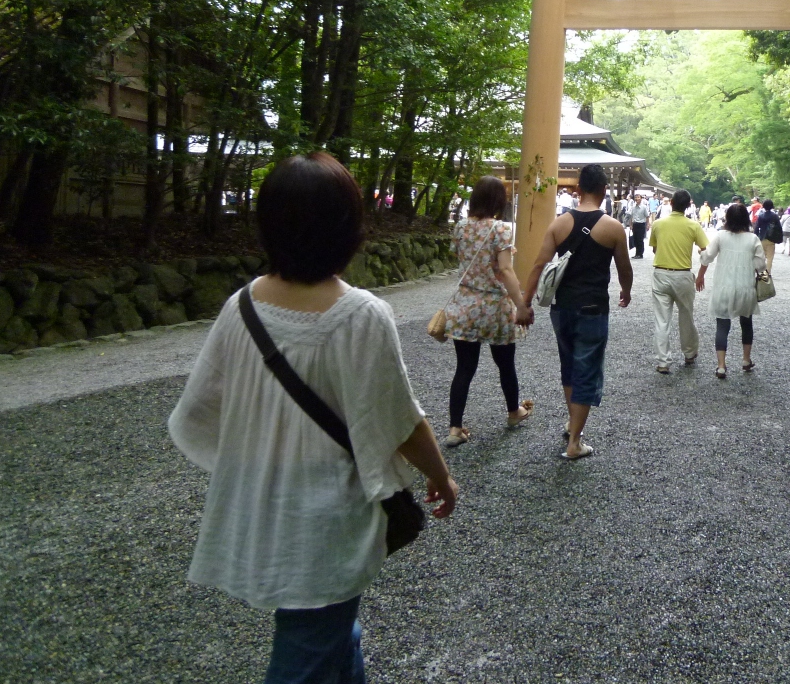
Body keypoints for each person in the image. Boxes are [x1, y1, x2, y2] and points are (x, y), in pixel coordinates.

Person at [168, 152, 458, 684]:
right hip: (325, 521)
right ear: (348, 229)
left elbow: (203, 408)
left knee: (334, 635)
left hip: (265, 505)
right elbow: (398, 418)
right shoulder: (361, 314)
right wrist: (440, 476)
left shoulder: (241, 306)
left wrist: (254, 461)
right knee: (307, 652)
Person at [525, 163, 633, 460]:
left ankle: (573, 423)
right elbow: (624, 268)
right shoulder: (613, 227)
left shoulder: (558, 224)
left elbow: (539, 265)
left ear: (579, 189)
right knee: (587, 370)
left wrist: (525, 302)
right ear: (604, 190)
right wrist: (626, 291)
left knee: (569, 368)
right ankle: (574, 441)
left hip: (562, 307)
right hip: (593, 307)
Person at [441, 176, 534, 448]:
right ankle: (514, 412)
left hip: (465, 306)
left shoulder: (460, 227)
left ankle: (455, 428)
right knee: (505, 364)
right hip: (494, 308)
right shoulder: (500, 229)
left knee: (464, 368)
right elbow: (505, 269)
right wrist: (521, 304)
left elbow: (460, 258)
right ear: (498, 201)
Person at [696, 202, 766, 378]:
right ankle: (746, 360)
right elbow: (761, 265)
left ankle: (721, 366)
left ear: (727, 218)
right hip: (745, 287)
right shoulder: (753, 239)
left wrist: (701, 255)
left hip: (723, 287)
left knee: (722, 325)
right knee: (746, 323)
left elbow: (708, 257)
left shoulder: (721, 236)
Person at [648, 188, 710, 374]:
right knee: (686, 316)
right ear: (688, 206)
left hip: (661, 273)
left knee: (662, 319)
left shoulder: (658, 224)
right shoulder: (693, 226)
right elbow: (705, 250)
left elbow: (655, 249)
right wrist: (701, 274)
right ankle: (689, 353)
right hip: (683, 275)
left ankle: (663, 361)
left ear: (672, 203)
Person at [753, 199, 781, 272]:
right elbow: (779, 228)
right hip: (771, 238)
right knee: (770, 257)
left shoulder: (761, 216)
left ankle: (761, 271)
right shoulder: (775, 216)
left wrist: (755, 237)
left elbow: (756, 228)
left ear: (763, 206)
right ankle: (768, 272)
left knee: (762, 256)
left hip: (762, 238)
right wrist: (779, 239)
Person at [629, 194, 650, 258]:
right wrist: (631, 225)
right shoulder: (633, 207)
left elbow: (647, 216)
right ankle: (637, 254)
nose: (637, 198)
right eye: (635, 197)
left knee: (640, 240)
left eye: (638, 197)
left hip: (641, 225)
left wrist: (648, 224)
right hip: (635, 224)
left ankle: (640, 254)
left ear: (641, 198)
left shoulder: (644, 207)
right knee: (635, 239)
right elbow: (631, 216)